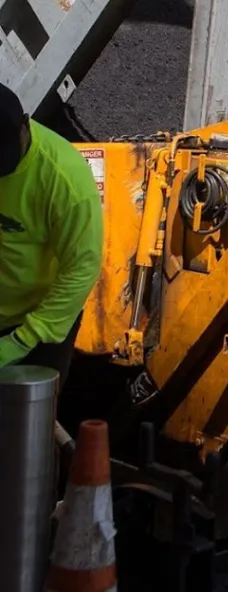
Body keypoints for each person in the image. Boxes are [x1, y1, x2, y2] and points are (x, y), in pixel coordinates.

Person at [0, 83, 104, 388]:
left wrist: (22, 340)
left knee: (27, 411)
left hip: (38, 321)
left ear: (25, 125)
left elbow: (81, 268)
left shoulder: (64, 180)